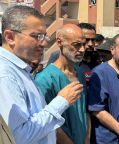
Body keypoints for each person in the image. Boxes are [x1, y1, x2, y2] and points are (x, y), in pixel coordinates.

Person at [0, 5, 83, 144]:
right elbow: (18, 137)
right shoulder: (5, 75)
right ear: (10, 37)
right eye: (37, 36)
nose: (44, 43)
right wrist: (61, 102)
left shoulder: (20, 70)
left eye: (44, 36)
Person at [35, 24, 89, 144]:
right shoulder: (44, 79)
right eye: (76, 45)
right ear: (60, 42)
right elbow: (48, 123)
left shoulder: (80, 73)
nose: (82, 49)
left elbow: (85, 111)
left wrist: (87, 138)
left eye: (83, 44)